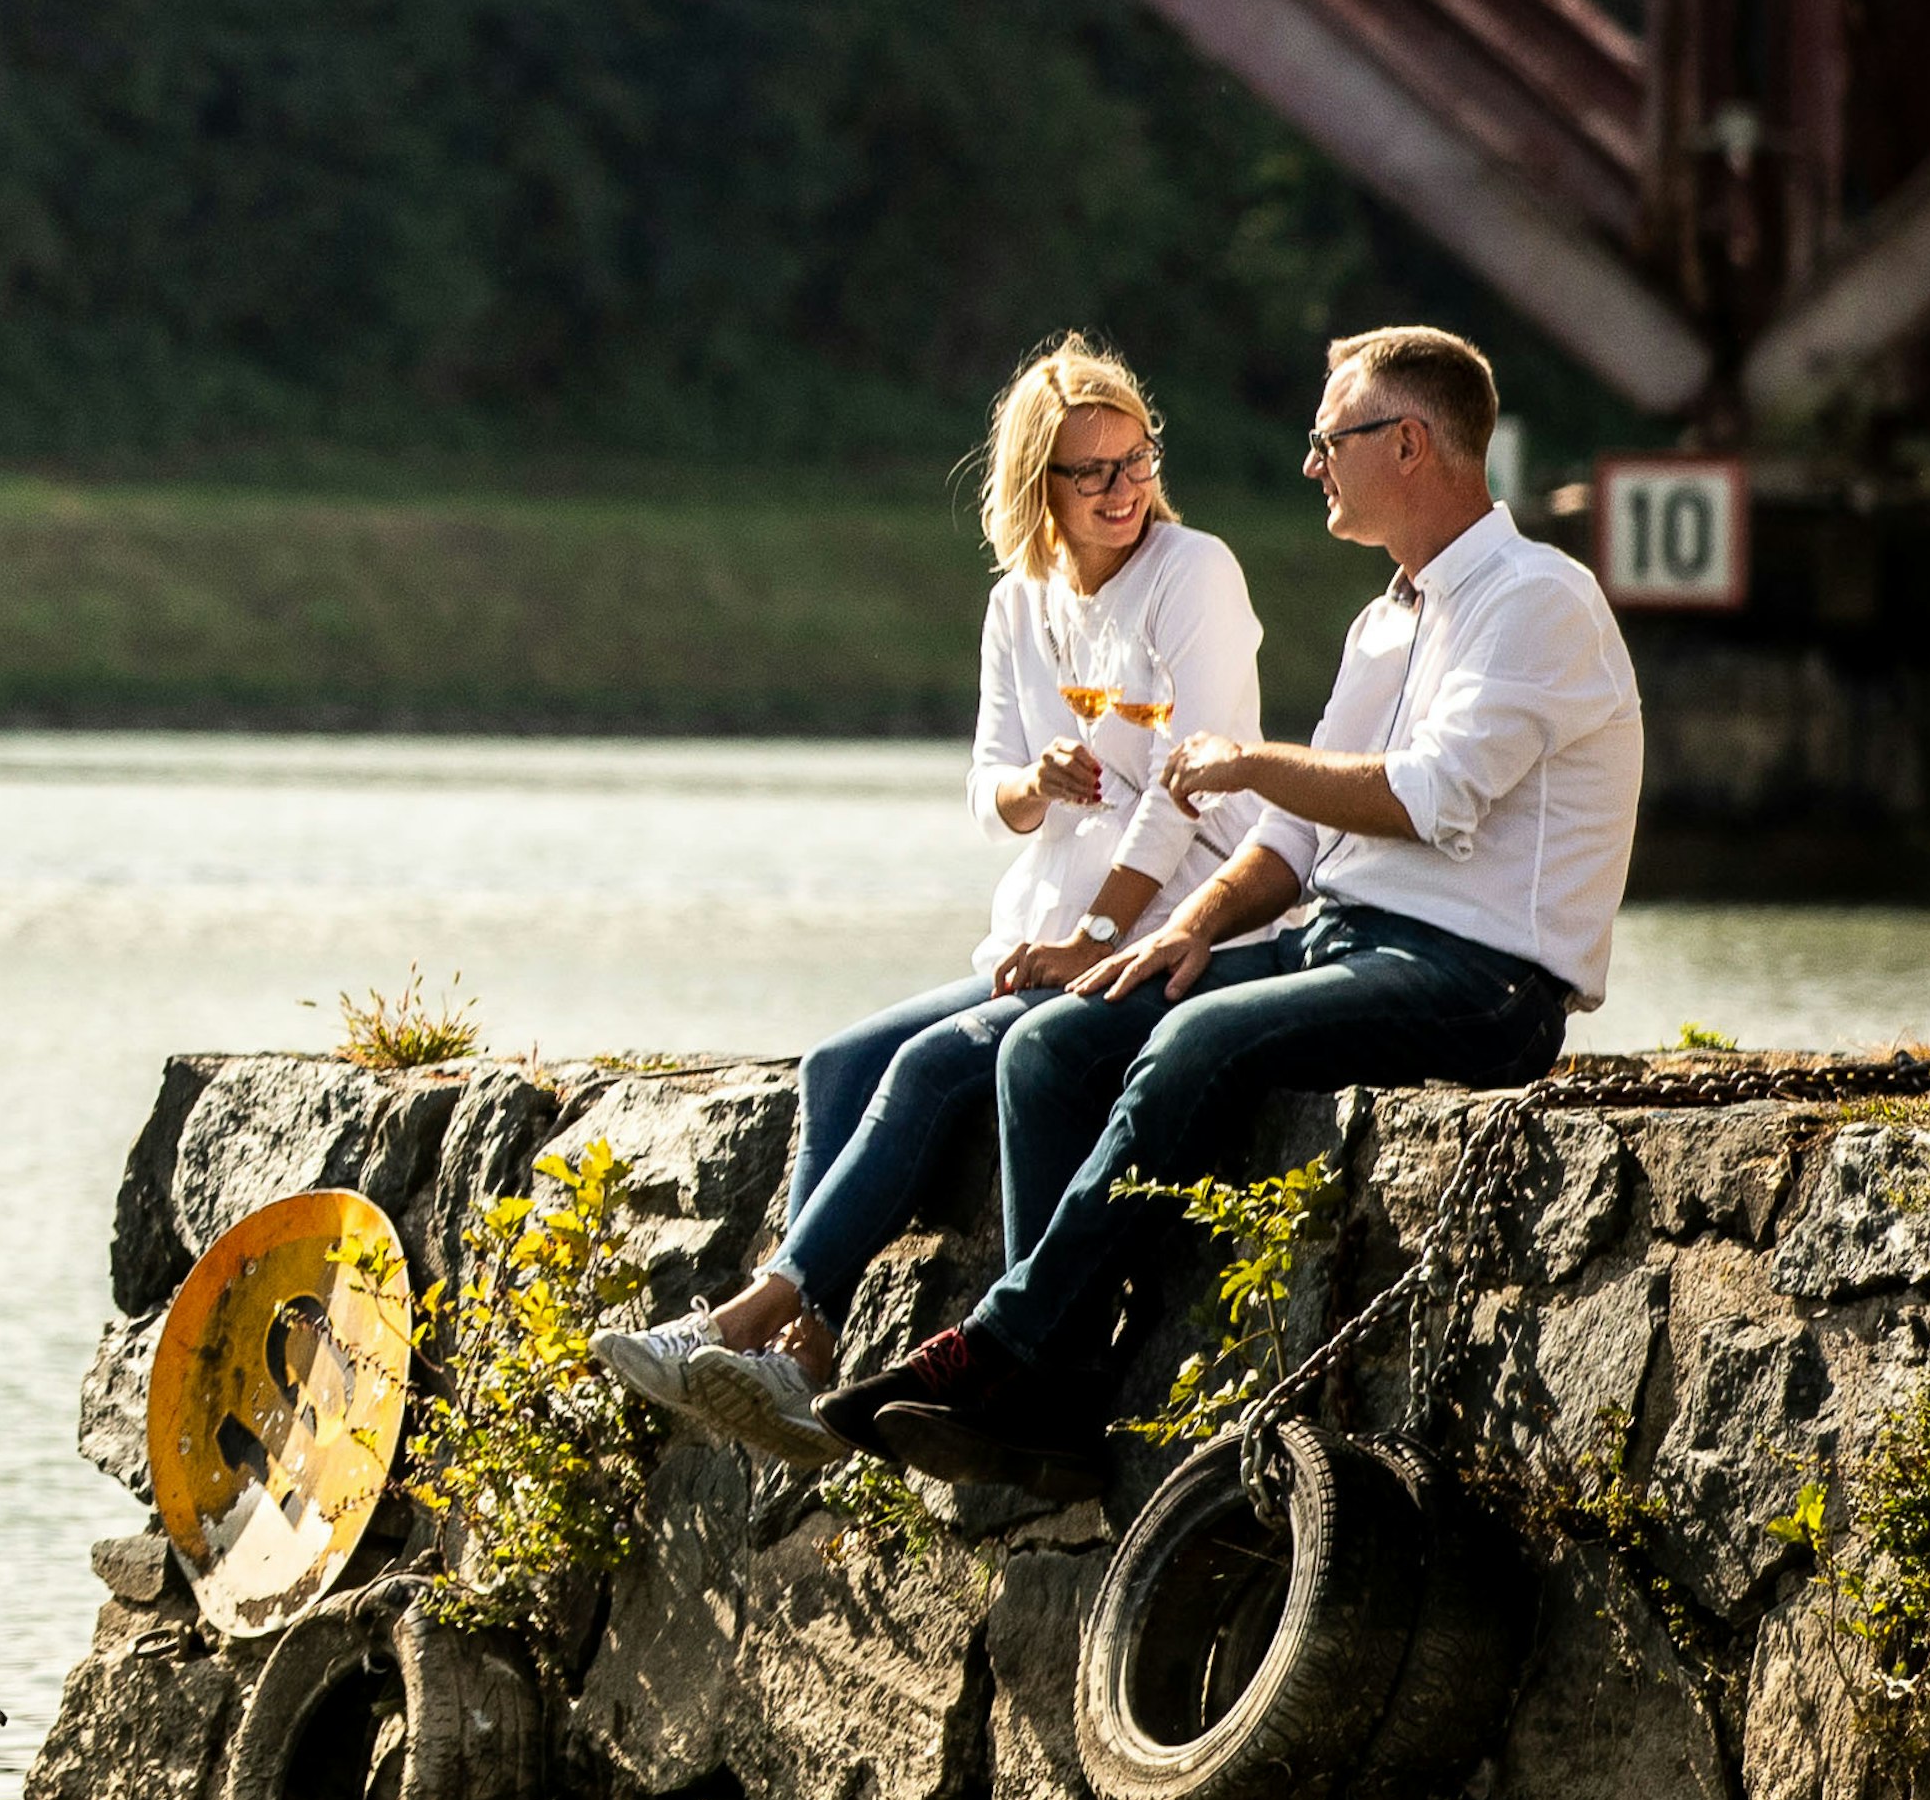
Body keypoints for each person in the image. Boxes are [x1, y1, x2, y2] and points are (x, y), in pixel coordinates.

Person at [828, 324, 1643, 1482]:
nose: (1310, 463)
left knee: (1195, 1033)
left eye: (1328, 439)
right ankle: (1052, 1403)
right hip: (1344, 941)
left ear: (1404, 442)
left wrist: (1249, 759)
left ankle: (1002, 1341)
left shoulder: (1536, 600)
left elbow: (1428, 795)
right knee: (1051, 1046)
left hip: (1480, 979)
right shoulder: (1386, 620)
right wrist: (1185, 924)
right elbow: (1301, 832)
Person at [607, 339, 1254, 1467]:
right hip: (1044, 931)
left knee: (931, 1064)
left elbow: (1183, 786)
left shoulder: (1192, 573)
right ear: (1034, 488)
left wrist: (1094, 933)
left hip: (1164, 927)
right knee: (834, 1063)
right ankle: (805, 1364)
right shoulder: (1021, 601)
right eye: (1086, 471)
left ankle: (748, 1321)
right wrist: (1032, 785)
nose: (1119, 489)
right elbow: (985, 781)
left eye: (1133, 458)